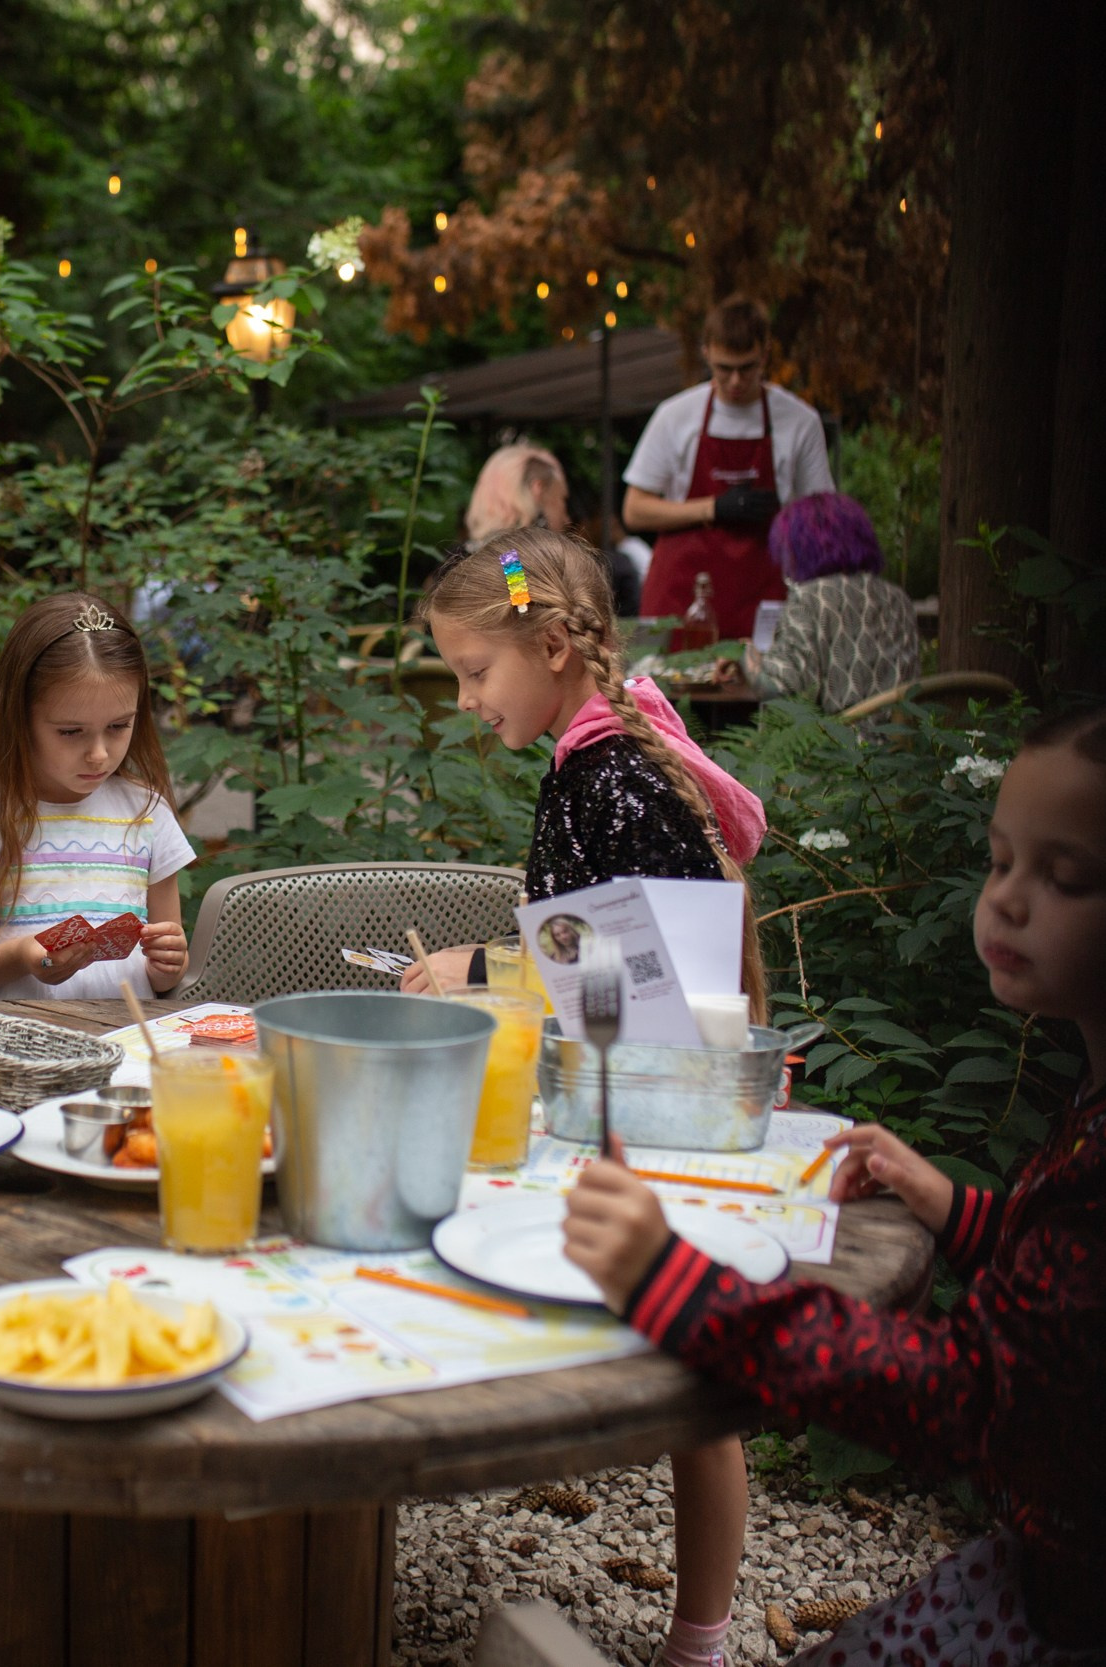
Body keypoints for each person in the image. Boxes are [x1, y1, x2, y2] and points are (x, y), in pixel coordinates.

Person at [563, 706, 1106, 1663]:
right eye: (1000, 861)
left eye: (1066, 876)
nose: (1004, 899)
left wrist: (678, 1283)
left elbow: (971, 1396)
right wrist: (961, 1210)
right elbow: (1088, 1301)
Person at [399, 526, 767, 1667]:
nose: (466, 701)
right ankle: (697, 1633)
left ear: (553, 645)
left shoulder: (606, 776)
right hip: (648, 1090)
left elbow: (634, 984)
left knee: (695, 1383)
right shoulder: (606, 753)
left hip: (660, 1106)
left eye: (475, 672)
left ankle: (700, 1641)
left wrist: (478, 969)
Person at [0, 592, 193, 999]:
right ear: (18, 717)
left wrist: (167, 964)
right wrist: (19, 957)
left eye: (118, 726)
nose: (99, 753)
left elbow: (161, 977)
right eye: (70, 732)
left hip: (128, 1045)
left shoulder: (148, 812)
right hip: (14, 1051)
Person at [623, 294, 835, 638]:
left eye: (747, 368)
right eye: (724, 369)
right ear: (706, 353)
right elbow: (634, 510)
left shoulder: (799, 421)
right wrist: (715, 508)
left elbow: (821, 516)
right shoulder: (675, 416)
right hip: (682, 593)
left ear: (765, 355)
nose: (735, 381)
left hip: (761, 591)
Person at [741, 491, 918, 709]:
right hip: (899, 738)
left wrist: (746, 656)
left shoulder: (810, 598)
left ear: (802, 547)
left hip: (840, 739)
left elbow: (780, 687)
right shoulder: (898, 598)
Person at [464, 442, 641, 616]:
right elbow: (523, 616)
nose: (567, 518)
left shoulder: (464, 558)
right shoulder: (511, 558)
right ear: (538, 490)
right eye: (562, 499)